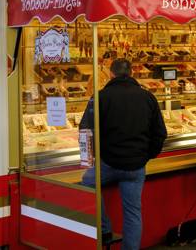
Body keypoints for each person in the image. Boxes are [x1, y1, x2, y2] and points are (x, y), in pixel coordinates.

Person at [80, 59, 167, 250]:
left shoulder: (100, 96)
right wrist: (147, 155)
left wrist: (93, 157)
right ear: (132, 73)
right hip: (136, 166)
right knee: (133, 213)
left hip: (108, 163)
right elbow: (161, 133)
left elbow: (86, 129)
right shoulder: (148, 97)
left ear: (111, 74)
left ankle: (104, 228)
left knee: (87, 182)